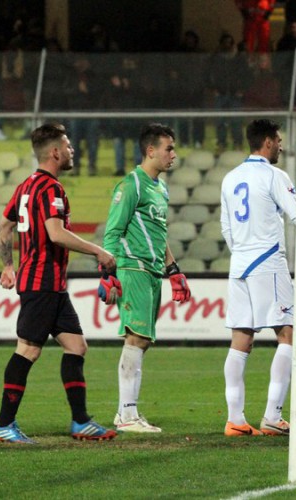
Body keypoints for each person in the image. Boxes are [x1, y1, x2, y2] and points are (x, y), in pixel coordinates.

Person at [0, 123, 118, 443]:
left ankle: (80, 421)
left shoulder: (25, 186)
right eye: (68, 145)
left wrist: (9, 266)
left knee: (76, 346)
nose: (72, 150)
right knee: (28, 350)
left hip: (52, 285)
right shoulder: (51, 189)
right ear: (55, 152)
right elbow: (56, 233)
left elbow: (3, 226)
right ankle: (4, 424)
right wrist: (98, 251)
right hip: (42, 282)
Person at [102, 123, 191, 433]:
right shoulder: (131, 185)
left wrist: (173, 268)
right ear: (150, 150)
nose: (173, 155)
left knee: (143, 341)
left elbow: (159, 232)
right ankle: (127, 416)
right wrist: (108, 274)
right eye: (168, 148)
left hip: (153, 271)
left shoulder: (160, 188)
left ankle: (126, 413)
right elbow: (113, 230)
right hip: (133, 267)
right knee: (136, 337)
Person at [221, 119, 295, 437]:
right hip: (268, 262)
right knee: (288, 335)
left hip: (239, 265)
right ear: (267, 142)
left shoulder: (230, 178)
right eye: (278, 140)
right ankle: (272, 416)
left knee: (241, 340)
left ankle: (235, 419)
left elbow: (226, 228)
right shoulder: (274, 175)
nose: (281, 145)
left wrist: (243, 254)